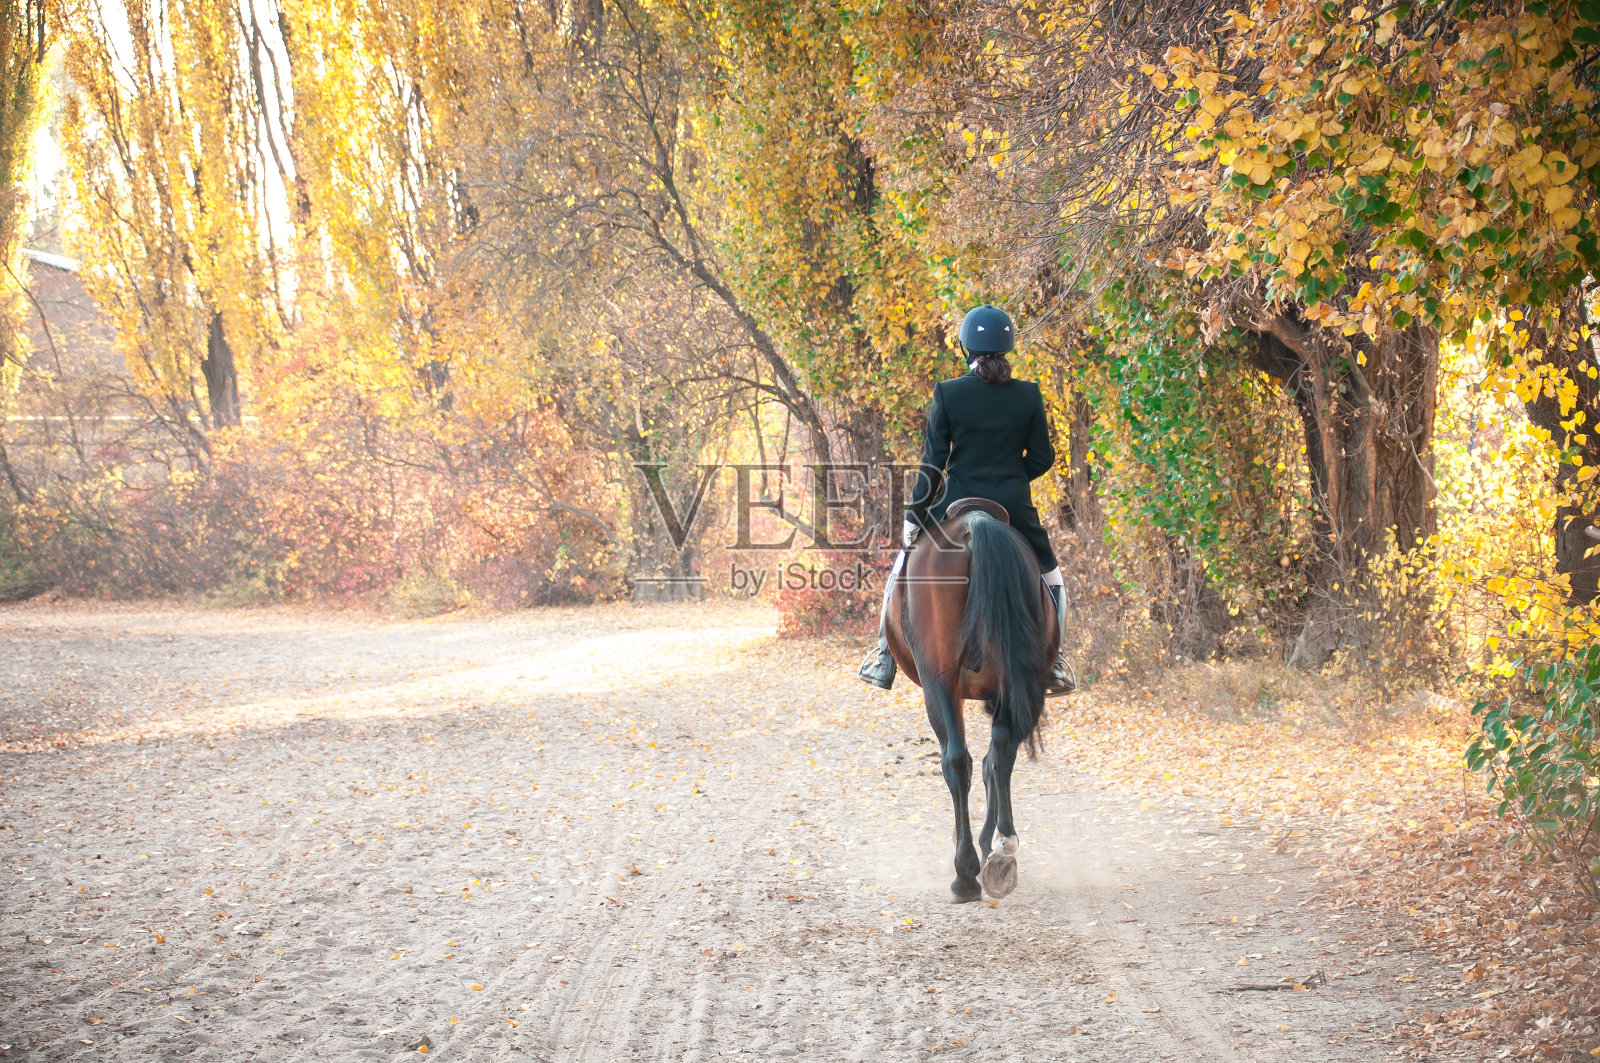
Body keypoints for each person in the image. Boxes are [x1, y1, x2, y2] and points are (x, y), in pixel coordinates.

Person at [857, 304, 1074, 695]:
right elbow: (1043, 457)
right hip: (1013, 507)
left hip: (954, 502)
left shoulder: (949, 392)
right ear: (1007, 348)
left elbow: (933, 463)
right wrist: (1010, 479)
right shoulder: (1027, 395)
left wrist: (913, 516)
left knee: (902, 565)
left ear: (966, 349)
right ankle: (1055, 663)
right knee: (1052, 578)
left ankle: (884, 655)